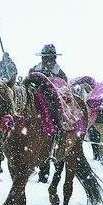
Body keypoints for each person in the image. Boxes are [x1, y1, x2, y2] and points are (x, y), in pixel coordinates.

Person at [28, 44, 69, 183]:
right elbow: (28, 85)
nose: (48, 61)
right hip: (34, 103)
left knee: (56, 122)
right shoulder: (34, 70)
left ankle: (47, 167)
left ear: (55, 58)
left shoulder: (60, 74)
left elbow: (64, 91)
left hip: (51, 105)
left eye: (51, 58)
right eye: (46, 58)